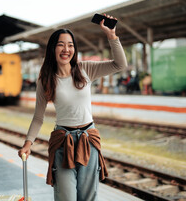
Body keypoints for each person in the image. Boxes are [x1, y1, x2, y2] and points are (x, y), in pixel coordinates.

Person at [18, 14, 128, 201]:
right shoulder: (45, 80)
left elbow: (120, 64)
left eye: (70, 45)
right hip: (63, 142)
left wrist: (111, 36)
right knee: (65, 197)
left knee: (87, 197)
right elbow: (38, 116)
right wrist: (28, 143)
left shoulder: (85, 69)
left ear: (74, 49)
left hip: (88, 140)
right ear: (53, 48)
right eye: (61, 44)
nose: (66, 49)